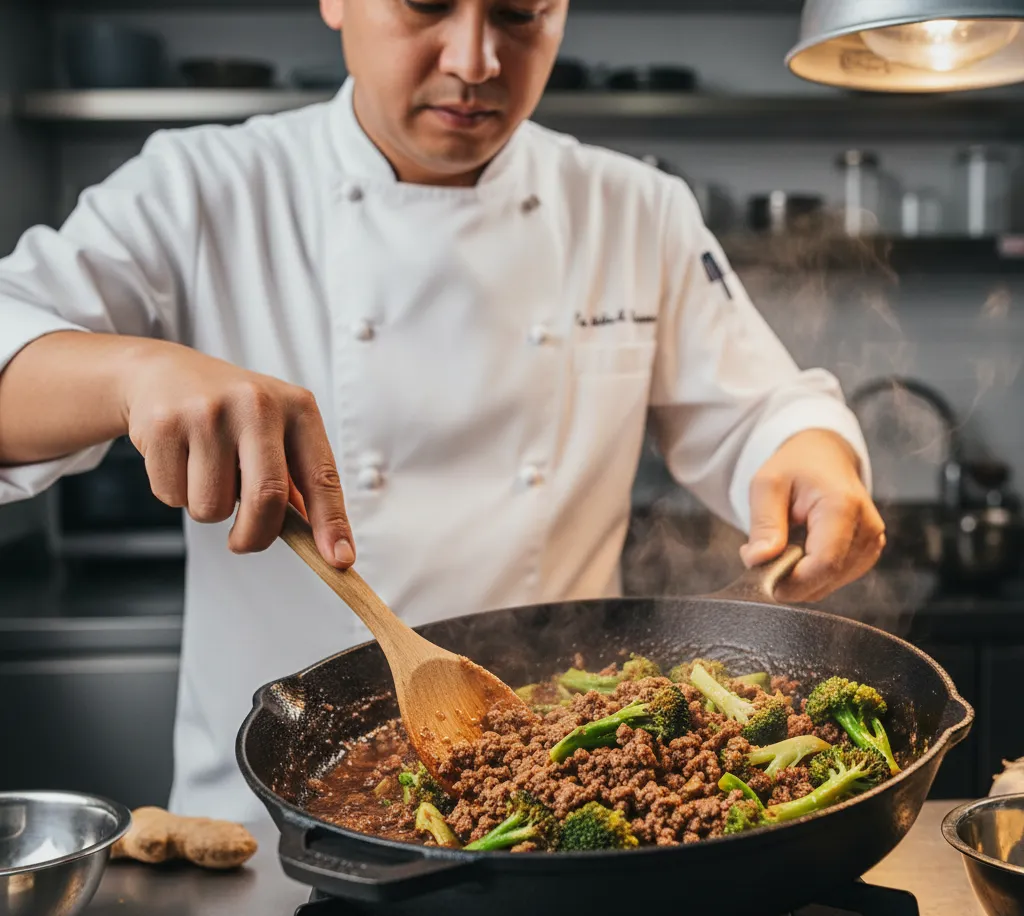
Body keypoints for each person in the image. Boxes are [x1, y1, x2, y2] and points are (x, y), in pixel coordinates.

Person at [0, 0, 885, 820]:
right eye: (427, 3)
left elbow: (761, 410)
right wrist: (132, 374)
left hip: (585, 813)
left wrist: (811, 456)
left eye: (519, 13)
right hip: (265, 842)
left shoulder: (635, 207)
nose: (476, 59)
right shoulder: (201, 189)